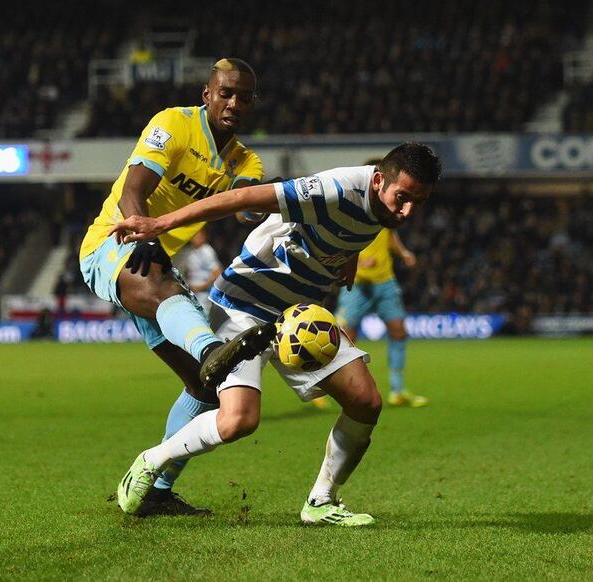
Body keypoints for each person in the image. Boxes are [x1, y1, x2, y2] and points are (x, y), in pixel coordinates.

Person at [109, 143, 442, 526]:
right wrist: (159, 225)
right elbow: (239, 198)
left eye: (419, 202)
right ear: (379, 180)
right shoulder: (332, 189)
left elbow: (350, 225)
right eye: (403, 198)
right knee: (238, 421)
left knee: (365, 402)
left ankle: (321, 501)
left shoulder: (381, 206)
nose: (408, 211)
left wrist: (346, 256)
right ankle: (153, 459)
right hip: (242, 308)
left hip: (298, 318)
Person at [79, 58, 274, 516]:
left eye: (243, 97)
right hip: (117, 242)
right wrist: (144, 232)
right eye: (225, 93)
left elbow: (246, 207)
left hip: (159, 261)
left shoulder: (246, 160)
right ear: (207, 94)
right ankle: (211, 351)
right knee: (171, 298)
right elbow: (135, 187)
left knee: (203, 390)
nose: (233, 103)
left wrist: (272, 205)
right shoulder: (174, 124)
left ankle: (156, 491)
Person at [333, 227, 429, 407]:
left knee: (398, 331)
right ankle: (337, 389)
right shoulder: (351, 211)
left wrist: (404, 253)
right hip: (356, 283)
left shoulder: (385, 210)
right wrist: (358, 262)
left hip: (385, 282)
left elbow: (390, 235)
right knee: (344, 338)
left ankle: (397, 391)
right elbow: (336, 244)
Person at [173, 228, 222, 316]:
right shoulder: (189, 251)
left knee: (203, 316)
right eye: (194, 236)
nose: (195, 238)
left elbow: (217, 271)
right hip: (190, 291)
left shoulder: (207, 251)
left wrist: (203, 286)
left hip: (204, 293)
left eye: (198, 236)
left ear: (204, 237)